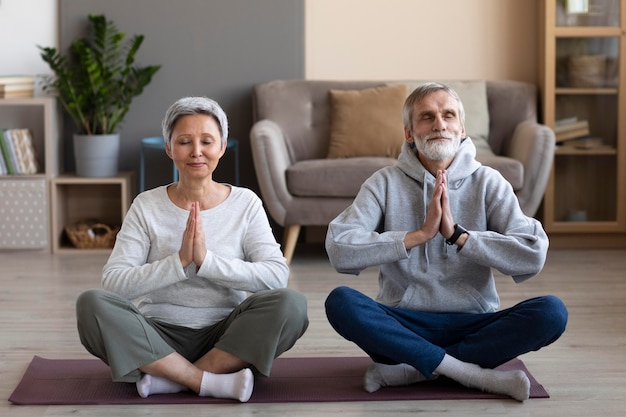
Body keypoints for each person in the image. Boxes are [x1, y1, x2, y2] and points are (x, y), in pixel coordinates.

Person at [324, 82, 568, 402]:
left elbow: (533, 251)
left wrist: (459, 236)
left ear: (462, 129)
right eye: (427, 117)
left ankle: (413, 368)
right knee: (341, 302)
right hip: (405, 323)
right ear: (410, 133)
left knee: (552, 312)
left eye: (448, 115)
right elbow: (339, 247)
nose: (439, 124)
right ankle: (469, 373)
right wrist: (417, 236)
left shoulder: (489, 181)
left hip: (474, 323)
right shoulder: (384, 182)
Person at [76, 96, 309, 402]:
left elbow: (277, 276)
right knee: (91, 303)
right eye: (185, 141)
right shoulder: (146, 206)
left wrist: (206, 262)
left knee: (291, 304)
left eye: (207, 141)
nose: (196, 151)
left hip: (227, 335)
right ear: (169, 148)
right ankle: (205, 380)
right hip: (157, 334)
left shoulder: (245, 203)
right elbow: (115, 283)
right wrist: (179, 262)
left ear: (222, 147)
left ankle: (170, 379)